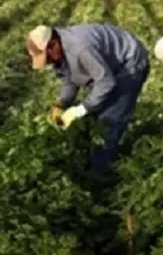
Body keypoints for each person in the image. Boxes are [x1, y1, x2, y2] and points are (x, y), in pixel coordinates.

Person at [26, 23, 150, 173]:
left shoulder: (80, 48)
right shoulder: (60, 53)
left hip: (129, 63)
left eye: (47, 58)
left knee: (109, 120)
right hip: (107, 69)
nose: (49, 63)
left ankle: (102, 172)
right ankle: (94, 158)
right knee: (94, 114)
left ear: (53, 45)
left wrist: (80, 109)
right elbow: (69, 80)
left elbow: (106, 82)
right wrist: (60, 103)